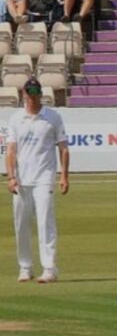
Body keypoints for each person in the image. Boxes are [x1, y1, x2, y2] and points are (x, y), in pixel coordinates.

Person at [5, 77, 69, 284]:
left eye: (35, 92)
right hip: (22, 180)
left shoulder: (53, 117)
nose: (32, 96)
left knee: (45, 221)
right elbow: (11, 151)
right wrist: (11, 177)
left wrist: (64, 176)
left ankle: (49, 268)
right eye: (29, 92)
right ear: (23, 94)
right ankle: (25, 267)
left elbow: (63, 147)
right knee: (21, 224)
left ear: (40, 93)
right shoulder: (16, 119)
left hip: (44, 177)